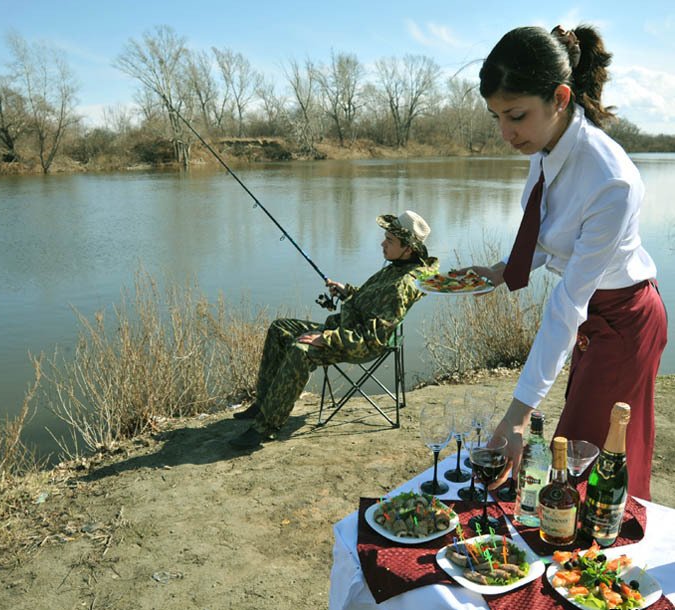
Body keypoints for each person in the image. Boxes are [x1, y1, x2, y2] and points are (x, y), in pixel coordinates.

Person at [465, 25, 667, 499]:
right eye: (496, 117)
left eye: (515, 115)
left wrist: (516, 414)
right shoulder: (546, 145)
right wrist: (500, 271)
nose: (505, 133)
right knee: (574, 454)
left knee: (588, 465)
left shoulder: (609, 180)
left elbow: (567, 304)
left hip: (626, 320)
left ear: (559, 97)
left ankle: (605, 565)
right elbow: (548, 231)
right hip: (596, 315)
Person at [229, 210, 438, 451]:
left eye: (389, 241)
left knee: (301, 350)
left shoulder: (401, 284)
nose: (382, 243)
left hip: (358, 344)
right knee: (280, 328)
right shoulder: (397, 266)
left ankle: (265, 428)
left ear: (408, 249)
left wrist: (325, 338)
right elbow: (372, 302)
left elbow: (372, 339)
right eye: (385, 237)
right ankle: (264, 402)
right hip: (346, 329)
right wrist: (347, 291)